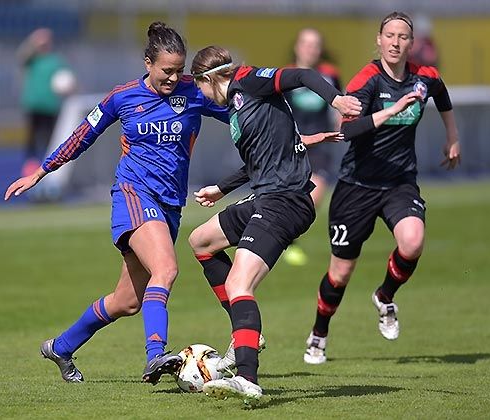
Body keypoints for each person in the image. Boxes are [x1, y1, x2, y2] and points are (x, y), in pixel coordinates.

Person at [5, 22, 228, 384]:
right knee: (166, 270)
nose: (173, 77)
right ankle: (155, 356)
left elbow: (241, 115)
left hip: (170, 204)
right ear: (148, 63)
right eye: (166, 70)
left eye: (179, 69)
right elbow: (83, 134)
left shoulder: (194, 92)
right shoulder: (122, 97)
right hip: (134, 194)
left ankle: (60, 347)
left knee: (127, 301)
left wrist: (290, 136)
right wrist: (42, 171)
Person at [186, 45, 361, 402]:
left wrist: (336, 100)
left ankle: (248, 377)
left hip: (286, 201)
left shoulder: (248, 80)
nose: (201, 95)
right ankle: (244, 333)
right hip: (264, 196)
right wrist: (222, 189)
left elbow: (301, 75)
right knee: (201, 240)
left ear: (208, 79)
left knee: (238, 281)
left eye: (199, 86)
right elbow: (260, 160)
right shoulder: (236, 106)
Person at [302, 11, 461, 365]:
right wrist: (392, 111)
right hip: (356, 186)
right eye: (389, 35)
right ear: (379, 40)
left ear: (411, 43)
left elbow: (441, 92)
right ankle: (319, 334)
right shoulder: (367, 81)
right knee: (340, 273)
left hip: (399, 182)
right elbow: (348, 130)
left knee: (413, 240)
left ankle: (385, 297)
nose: (395, 42)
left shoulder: (423, 77)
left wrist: (452, 137)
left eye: (403, 36)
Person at [282, 28, 343, 266]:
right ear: (297, 47)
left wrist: (343, 119)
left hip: (320, 144)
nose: (310, 49)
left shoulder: (330, 74)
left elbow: (338, 102)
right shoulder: (285, 74)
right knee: (284, 195)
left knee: (315, 194)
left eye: (315, 44)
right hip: (290, 143)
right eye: (306, 44)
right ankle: (282, 238)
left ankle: (288, 236)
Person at [17, 28, 75, 177]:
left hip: (50, 105)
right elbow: (21, 56)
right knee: (32, 138)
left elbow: (68, 80)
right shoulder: (32, 59)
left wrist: (70, 87)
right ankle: (30, 166)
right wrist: (32, 40)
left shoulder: (56, 61)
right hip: (34, 104)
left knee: (51, 138)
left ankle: (50, 166)